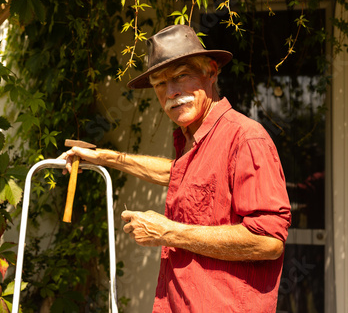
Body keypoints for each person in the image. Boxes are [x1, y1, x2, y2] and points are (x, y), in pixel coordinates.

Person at [59, 25, 291, 312]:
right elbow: (181, 174)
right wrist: (103, 158)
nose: (171, 93)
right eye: (159, 83)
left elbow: (267, 241)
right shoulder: (193, 138)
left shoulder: (245, 138)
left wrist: (168, 233)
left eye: (181, 76)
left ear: (211, 71)